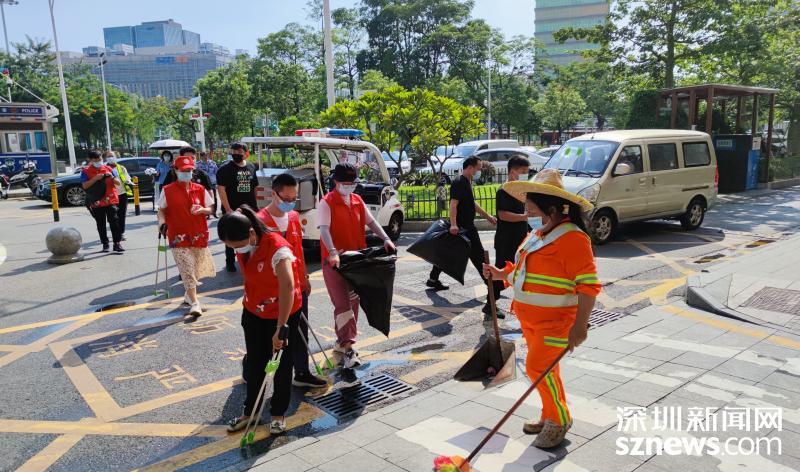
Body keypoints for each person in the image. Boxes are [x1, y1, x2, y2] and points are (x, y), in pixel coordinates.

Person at [482, 168, 600, 449]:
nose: (528, 214)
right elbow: (524, 271)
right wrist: (500, 274)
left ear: (552, 209)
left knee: (536, 368)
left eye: (531, 209)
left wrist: (580, 327)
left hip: (557, 323)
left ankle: (559, 420)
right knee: (548, 370)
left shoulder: (573, 238)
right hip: (531, 321)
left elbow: (588, 286)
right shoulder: (537, 234)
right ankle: (550, 413)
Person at [219, 205, 302, 435]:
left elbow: (288, 288)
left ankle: (278, 414)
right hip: (253, 311)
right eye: (232, 247)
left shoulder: (278, 249)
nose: (237, 251)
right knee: (256, 363)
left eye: (238, 245)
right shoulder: (245, 242)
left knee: (281, 365)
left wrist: (281, 328)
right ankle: (250, 412)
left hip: (281, 313)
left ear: (251, 233)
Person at [319, 163, 396, 369]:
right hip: (336, 263)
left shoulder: (357, 200)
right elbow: (324, 229)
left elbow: (371, 223)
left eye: (352, 182)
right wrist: (332, 252)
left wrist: (386, 238)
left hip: (356, 261)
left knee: (353, 304)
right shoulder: (327, 202)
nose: (349, 186)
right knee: (343, 305)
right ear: (336, 182)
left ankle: (342, 342)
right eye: (345, 182)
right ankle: (348, 348)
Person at [257, 173, 327, 388]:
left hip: (296, 287)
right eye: (285, 198)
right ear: (273, 194)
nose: (289, 203)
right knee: (269, 336)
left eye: (293, 198)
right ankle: (252, 368)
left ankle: (302, 372)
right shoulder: (259, 221)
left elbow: (299, 250)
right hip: (271, 292)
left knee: (298, 330)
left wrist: (304, 278)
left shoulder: (294, 217)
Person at [426, 156, 497, 294]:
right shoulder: (459, 182)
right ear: (470, 168)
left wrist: (487, 216)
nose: (479, 172)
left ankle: (433, 279)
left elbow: (471, 203)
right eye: (478, 169)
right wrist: (453, 225)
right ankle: (493, 288)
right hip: (463, 228)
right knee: (479, 256)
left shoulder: (467, 181)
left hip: (464, 227)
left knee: (447, 253)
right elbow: (453, 204)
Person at [156, 155, 216, 317]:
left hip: (198, 234)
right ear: (175, 171)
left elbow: (211, 209)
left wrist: (203, 210)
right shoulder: (167, 190)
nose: (187, 173)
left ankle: (189, 295)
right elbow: (161, 210)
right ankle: (195, 303)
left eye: (190, 170)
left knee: (195, 269)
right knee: (186, 268)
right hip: (178, 236)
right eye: (183, 170)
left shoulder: (200, 189)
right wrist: (161, 223)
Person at [489, 156, 530, 319]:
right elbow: (502, 215)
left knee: (520, 272)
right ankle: (490, 305)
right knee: (501, 272)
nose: (526, 174)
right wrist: (524, 217)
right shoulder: (504, 191)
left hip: (520, 239)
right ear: (513, 171)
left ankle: (523, 306)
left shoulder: (520, 190)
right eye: (523, 171)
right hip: (506, 240)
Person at [216, 142, 259, 272]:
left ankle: (250, 259)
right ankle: (230, 262)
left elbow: (255, 187)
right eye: (233, 151)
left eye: (239, 151)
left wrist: (255, 205)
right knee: (231, 235)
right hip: (232, 209)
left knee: (251, 234)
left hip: (250, 208)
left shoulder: (251, 166)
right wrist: (228, 209)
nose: (236, 154)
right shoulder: (224, 169)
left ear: (246, 153)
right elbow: (221, 189)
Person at [81, 149, 123, 253]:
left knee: (114, 221)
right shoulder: (85, 171)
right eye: (95, 160)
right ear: (90, 160)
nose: (98, 162)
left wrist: (112, 177)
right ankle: (105, 244)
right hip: (96, 201)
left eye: (100, 159)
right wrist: (96, 178)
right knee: (101, 224)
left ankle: (117, 243)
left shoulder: (109, 168)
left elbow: (118, 183)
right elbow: (84, 186)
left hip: (110, 199)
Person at [104, 151, 134, 241]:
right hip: (110, 195)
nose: (110, 158)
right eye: (108, 156)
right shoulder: (104, 168)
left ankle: (121, 233)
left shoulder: (121, 167)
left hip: (122, 194)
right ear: (106, 158)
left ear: (115, 157)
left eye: (112, 156)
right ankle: (115, 232)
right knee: (113, 216)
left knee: (122, 214)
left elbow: (127, 177)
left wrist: (129, 181)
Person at [195, 151, 219, 216]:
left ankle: (214, 212)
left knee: (214, 197)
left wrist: (217, 182)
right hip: (203, 184)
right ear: (201, 157)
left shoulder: (212, 163)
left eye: (206, 156)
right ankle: (207, 213)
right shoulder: (198, 164)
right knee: (204, 198)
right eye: (204, 156)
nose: (206, 157)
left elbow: (217, 172)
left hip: (212, 183)